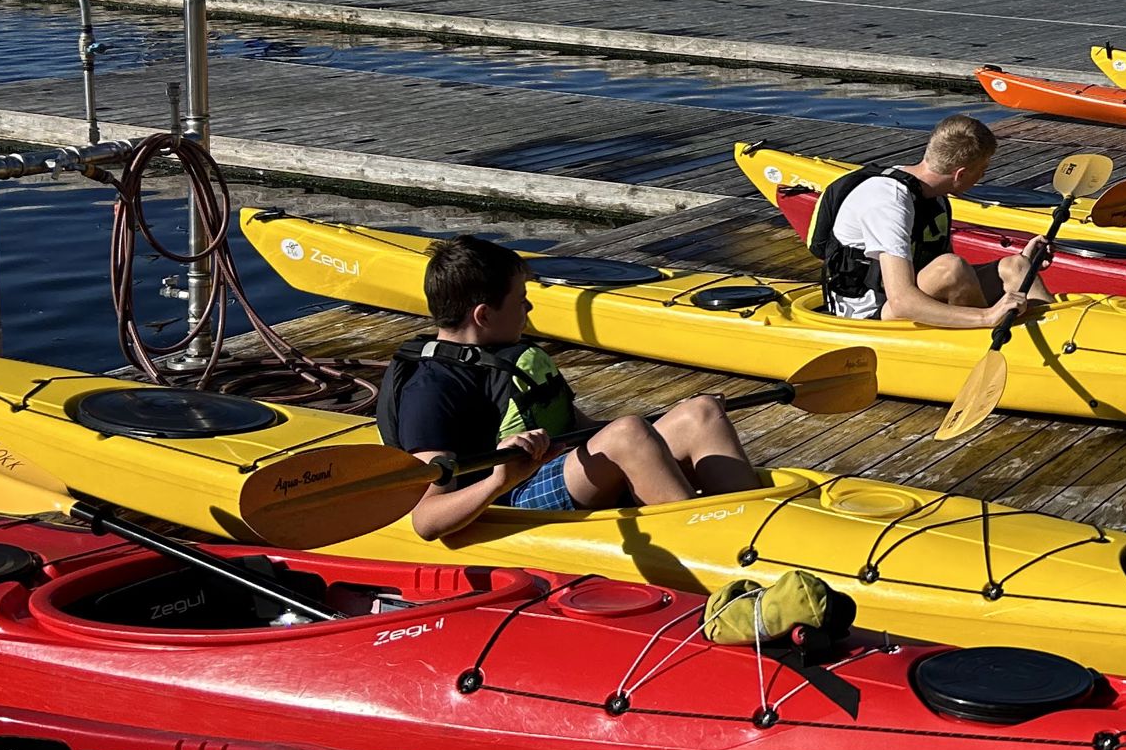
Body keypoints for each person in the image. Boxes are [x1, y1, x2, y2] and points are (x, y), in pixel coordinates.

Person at [381, 234, 760, 541]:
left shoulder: (503, 355)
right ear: (483, 315)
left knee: (701, 413)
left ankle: (753, 530)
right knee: (628, 434)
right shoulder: (431, 391)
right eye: (521, 300)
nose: (528, 309)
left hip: (546, 471)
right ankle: (709, 547)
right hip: (507, 498)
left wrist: (665, 424)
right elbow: (427, 519)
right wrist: (499, 480)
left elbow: (582, 429)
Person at [809, 114, 1049, 328]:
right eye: (982, 170)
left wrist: (1027, 261)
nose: (983, 177)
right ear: (960, 174)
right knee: (951, 269)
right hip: (870, 314)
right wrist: (986, 316)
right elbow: (902, 301)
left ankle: (1056, 333)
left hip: (906, 294)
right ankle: (990, 342)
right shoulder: (887, 201)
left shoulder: (934, 196)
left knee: (1016, 266)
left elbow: (933, 268)